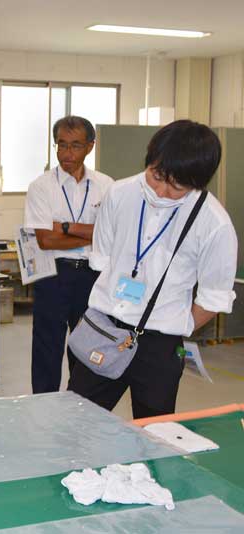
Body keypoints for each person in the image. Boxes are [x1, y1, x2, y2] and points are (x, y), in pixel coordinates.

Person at [69, 120, 237, 418]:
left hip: (159, 346)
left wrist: (171, 326)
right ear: (150, 159)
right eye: (157, 176)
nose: (160, 191)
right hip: (105, 330)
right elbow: (102, 260)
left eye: (177, 187)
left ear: (199, 182)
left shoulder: (214, 223)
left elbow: (213, 297)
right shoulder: (120, 194)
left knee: (153, 434)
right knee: (77, 423)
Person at [24, 116, 114, 393]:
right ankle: (44, 403)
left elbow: (111, 236)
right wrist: (91, 232)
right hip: (52, 274)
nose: (67, 154)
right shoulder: (41, 186)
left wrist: (65, 227)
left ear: (90, 147)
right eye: (61, 145)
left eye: (75, 146)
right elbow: (45, 239)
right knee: (46, 346)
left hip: (92, 275)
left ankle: (81, 403)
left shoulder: (106, 185)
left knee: (86, 344)